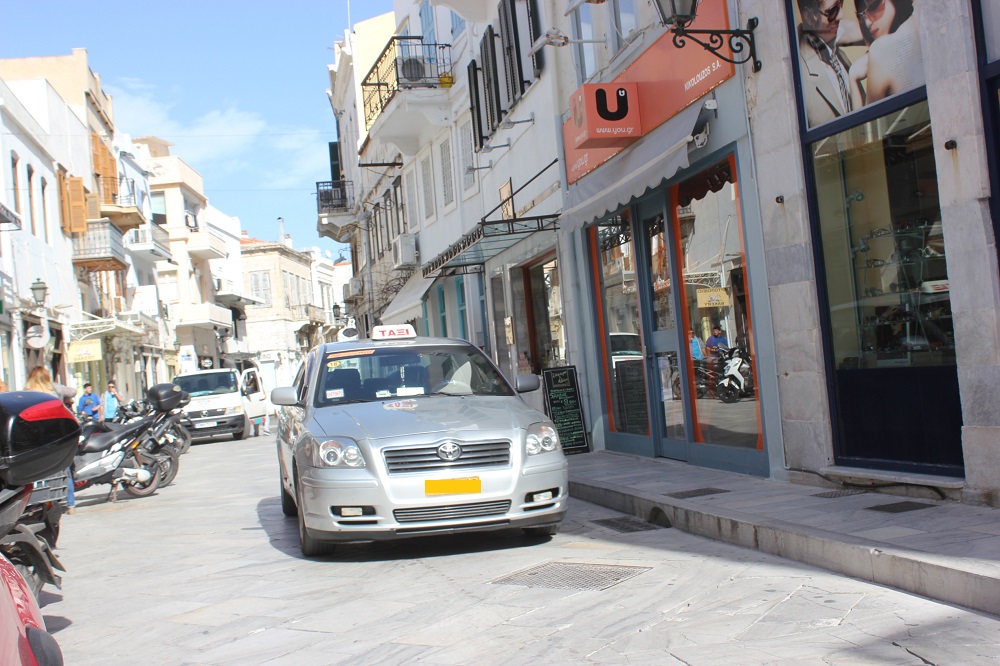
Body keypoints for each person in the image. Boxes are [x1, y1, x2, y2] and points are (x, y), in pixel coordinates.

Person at [796, 0, 863, 127]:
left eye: (841, 3)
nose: (841, 15)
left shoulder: (834, 49)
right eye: (832, 11)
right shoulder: (800, 76)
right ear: (809, 16)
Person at [23, 367, 78, 514]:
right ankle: (70, 505)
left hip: (38, 437)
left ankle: (43, 503)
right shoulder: (56, 389)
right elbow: (73, 391)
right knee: (65, 468)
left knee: (40, 471)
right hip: (58, 434)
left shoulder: (27, 392)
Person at [848, 0, 921, 108]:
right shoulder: (921, 21)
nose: (867, 23)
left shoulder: (879, 50)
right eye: (861, 16)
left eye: (873, 6)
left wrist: (853, 78)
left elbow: (869, 119)